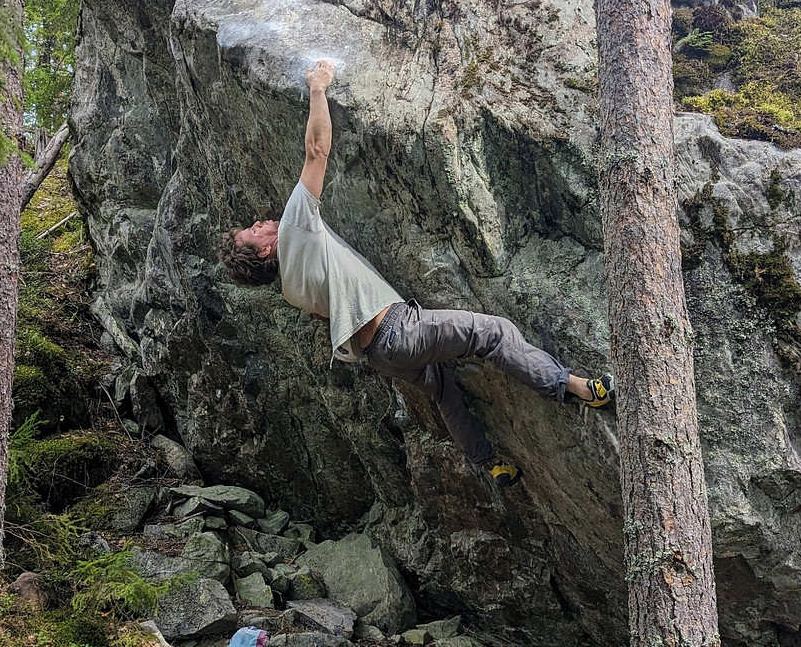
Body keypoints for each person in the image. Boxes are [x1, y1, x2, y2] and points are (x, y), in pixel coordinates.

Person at [219, 60, 613, 488]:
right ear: (265, 251)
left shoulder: (290, 290)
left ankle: (489, 463)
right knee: (494, 333)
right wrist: (318, 88)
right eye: (252, 233)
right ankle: (575, 387)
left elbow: (326, 313)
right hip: (398, 330)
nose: (259, 223)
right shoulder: (293, 228)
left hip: (381, 356)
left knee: (443, 390)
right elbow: (317, 151)